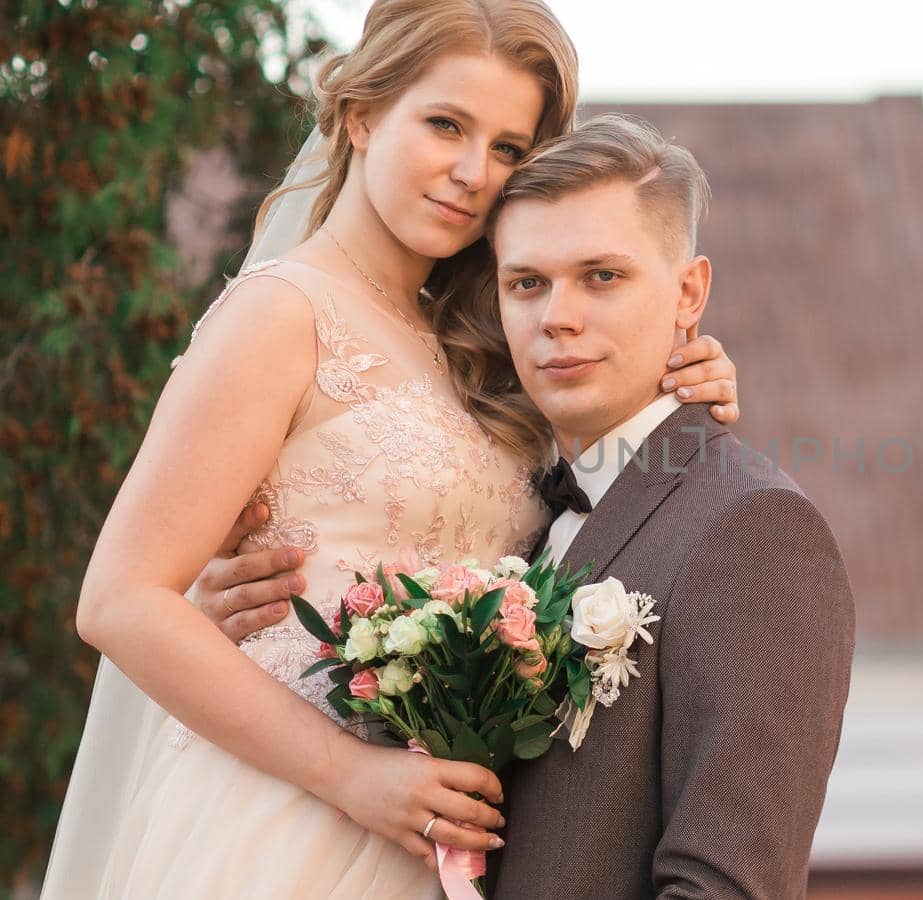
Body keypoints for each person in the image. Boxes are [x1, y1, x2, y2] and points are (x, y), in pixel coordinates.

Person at [42, 3, 741, 898]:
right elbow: (120, 600)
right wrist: (353, 777)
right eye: (446, 124)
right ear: (363, 113)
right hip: (290, 816)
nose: (470, 173)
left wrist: (680, 379)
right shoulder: (282, 315)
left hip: (452, 833)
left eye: (507, 149)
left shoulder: (485, 338)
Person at [486, 115, 855, 898]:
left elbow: (725, 886)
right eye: (527, 282)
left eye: (602, 277)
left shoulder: (754, 532)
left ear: (689, 292)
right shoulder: (513, 522)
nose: (557, 316)